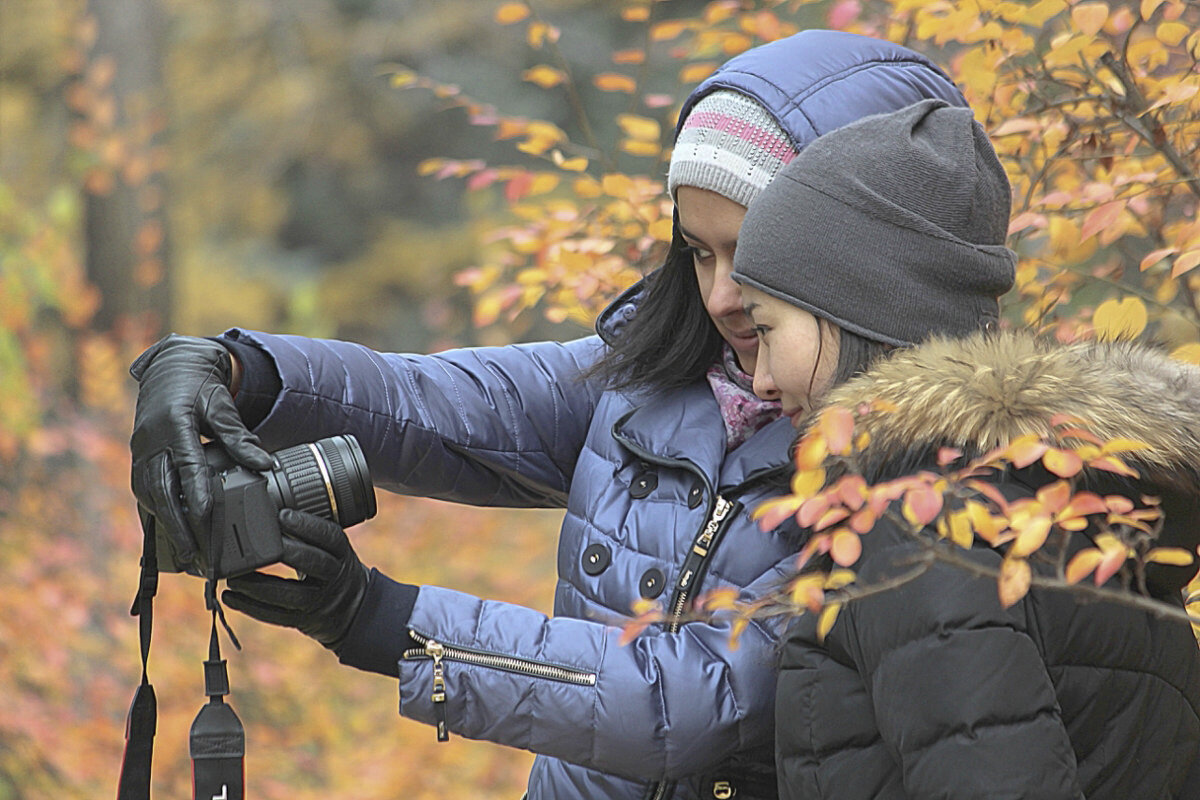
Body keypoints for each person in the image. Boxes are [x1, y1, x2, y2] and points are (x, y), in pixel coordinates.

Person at [127, 31, 972, 800]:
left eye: (749, 256)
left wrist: (379, 618)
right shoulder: (650, 380)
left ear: (855, 253)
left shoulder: (914, 477)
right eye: (697, 252)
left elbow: (691, 697)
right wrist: (237, 371)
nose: (720, 296)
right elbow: (434, 404)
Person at [729, 99, 1200, 797]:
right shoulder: (1053, 494)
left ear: (856, 309)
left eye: (766, 329)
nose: (761, 379)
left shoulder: (922, 526)